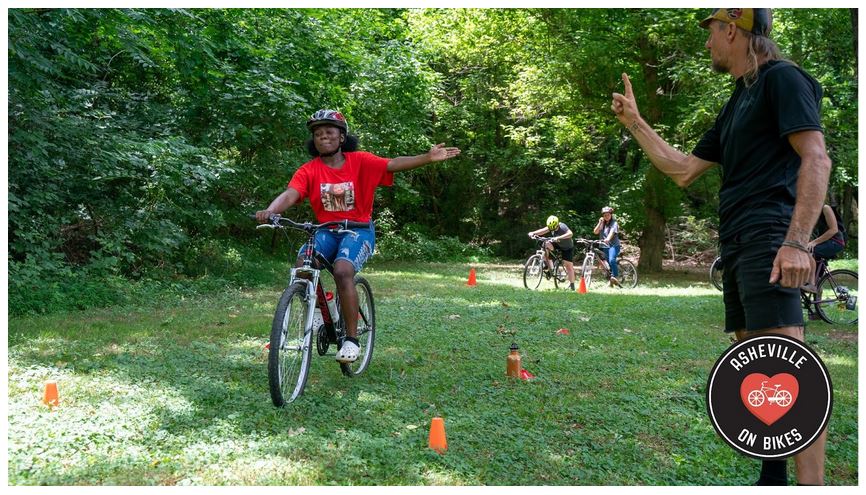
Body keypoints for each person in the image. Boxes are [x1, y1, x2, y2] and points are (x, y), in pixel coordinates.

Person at [610, 9, 831, 486]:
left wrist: (796, 243)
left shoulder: (783, 80)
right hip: (736, 241)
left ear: (731, 29)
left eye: (710, 32)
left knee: (792, 368)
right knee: (753, 358)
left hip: (769, 234)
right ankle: (772, 476)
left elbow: (816, 157)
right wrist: (636, 123)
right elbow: (684, 168)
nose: (707, 43)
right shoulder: (739, 99)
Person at [256, 109, 460, 363]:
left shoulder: (360, 161)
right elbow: (291, 193)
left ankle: (351, 340)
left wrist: (427, 158)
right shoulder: (308, 170)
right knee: (303, 266)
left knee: (342, 271)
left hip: (358, 230)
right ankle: (321, 309)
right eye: (318, 134)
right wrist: (270, 211)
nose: (323, 137)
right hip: (326, 230)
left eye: (329, 132)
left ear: (342, 137)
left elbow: (392, 164)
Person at [528, 215, 576, 290]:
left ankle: (572, 285)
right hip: (557, 244)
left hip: (567, 247)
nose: (552, 229)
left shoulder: (562, 226)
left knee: (568, 266)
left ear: (557, 224)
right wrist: (533, 233)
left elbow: (570, 234)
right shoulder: (551, 226)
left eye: (554, 227)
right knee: (545, 244)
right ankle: (549, 266)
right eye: (550, 228)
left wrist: (559, 237)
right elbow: (543, 230)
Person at [593, 206, 622, 286]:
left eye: (608, 215)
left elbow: (612, 232)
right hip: (604, 246)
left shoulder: (614, 223)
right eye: (605, 215)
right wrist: (599, 223)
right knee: (608, 263)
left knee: (612, 260)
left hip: (614, 245)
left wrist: (608, 239)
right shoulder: (602, 223)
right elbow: (595, 232)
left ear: (611, 215)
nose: (606, 216)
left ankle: (615, 277)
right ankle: (611, 280)